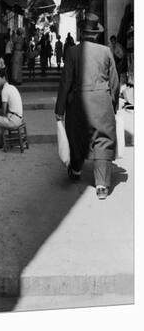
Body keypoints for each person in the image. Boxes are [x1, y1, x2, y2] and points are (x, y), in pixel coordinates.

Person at [55, 14, 119, 200]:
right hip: (101, 102)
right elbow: (114, 82)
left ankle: (75, 170)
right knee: (103, 139)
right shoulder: (106, 52)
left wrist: (59, 111)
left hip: (78, 104)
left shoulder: (73, 52)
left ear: (82, 33)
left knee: (76, 137)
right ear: (97, 34)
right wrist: (112, 103)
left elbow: (65, 82)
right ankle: (101, 186)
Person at [0, 68, 23, 151]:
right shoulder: (12, 87)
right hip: (18, 118)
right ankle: (0, 142)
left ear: (4, 78)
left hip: (13, 121)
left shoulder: (4, 90)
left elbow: (4, 111)